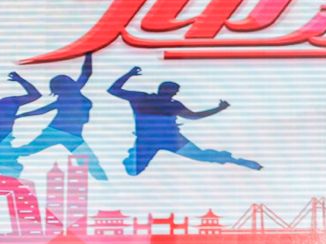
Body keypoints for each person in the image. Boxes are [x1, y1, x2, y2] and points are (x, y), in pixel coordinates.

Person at [107, 67, 260, 175]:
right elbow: (113, 90)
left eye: (174, 92)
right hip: (148, 140)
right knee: (133, 171)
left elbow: (194, 116)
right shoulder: (142, 98)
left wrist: (219, 108)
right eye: (173, 91)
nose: (173, 94)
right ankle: (132, 155)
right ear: (165, 90)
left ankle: (233, 160)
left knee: (200, 155)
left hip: (171, 138)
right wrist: (129, 74)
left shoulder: (171, 104)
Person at [13, 53, 107, 181]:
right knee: (28, 150)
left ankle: (106, 183)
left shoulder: (72, 93)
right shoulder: (68, 96)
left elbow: (86, 73)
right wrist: (20, 115)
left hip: (72, 135)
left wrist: (88, 53)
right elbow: (42, 110)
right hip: (57, 132)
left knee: (91, 161)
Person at [0, 71, 41, 177]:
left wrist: (20, 80)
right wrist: (20, 80)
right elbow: (35, 95)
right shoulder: (6, 103)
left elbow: (35, 95)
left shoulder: (6, 103)